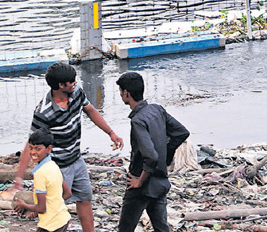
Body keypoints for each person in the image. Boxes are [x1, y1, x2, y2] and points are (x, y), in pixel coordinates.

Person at [14, 62, 123, 232]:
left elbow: (91, 110)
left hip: (76, 160)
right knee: (52, 212)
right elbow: (31, 144)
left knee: (85, 200)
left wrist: (111, 133)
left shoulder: (77, 92)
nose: (75, 83)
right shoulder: (44, 112)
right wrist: (19, 178)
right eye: (71, 81)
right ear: (60, 85)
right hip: (57, 168)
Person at [116, 71, 190, 232]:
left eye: (121, 91)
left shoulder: (138, 121)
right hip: (160, 181)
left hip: (140, 185)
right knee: (161, 228)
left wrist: (139, 181)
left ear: (126, 93)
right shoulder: (157, 109)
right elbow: (181, 133)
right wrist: (167, 155)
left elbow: (151, 156)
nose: (121, 94)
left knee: (125, 229)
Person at [14, 128, 72, 232]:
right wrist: (50, 208)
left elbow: (41, 208)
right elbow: (67, 193)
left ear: (48, 149)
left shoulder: (40, 173)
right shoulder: (53, 165)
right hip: (62, 218)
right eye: (30, 148)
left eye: (38, 148)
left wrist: (24, 205)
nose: (33, 152)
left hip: (51, 225)